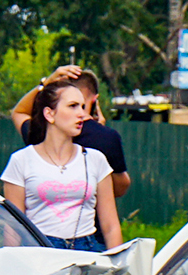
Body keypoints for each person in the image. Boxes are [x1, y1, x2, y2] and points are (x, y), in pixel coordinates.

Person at [1, 80, 123, 252]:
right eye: (72, 106)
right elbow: (13, 227)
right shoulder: (22, 160)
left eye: (82, 106)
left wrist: (116, 268)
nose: (81, 113)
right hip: (40, 249)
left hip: (86, 249)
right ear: (49, 114)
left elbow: (110, 226)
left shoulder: (96, 159)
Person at [11, 65, 130, 199]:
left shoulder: (42, 132)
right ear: (95, 99)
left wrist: (46, 84)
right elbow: (121, 187)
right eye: (73, 105)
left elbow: (19, 112)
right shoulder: (107, 138)